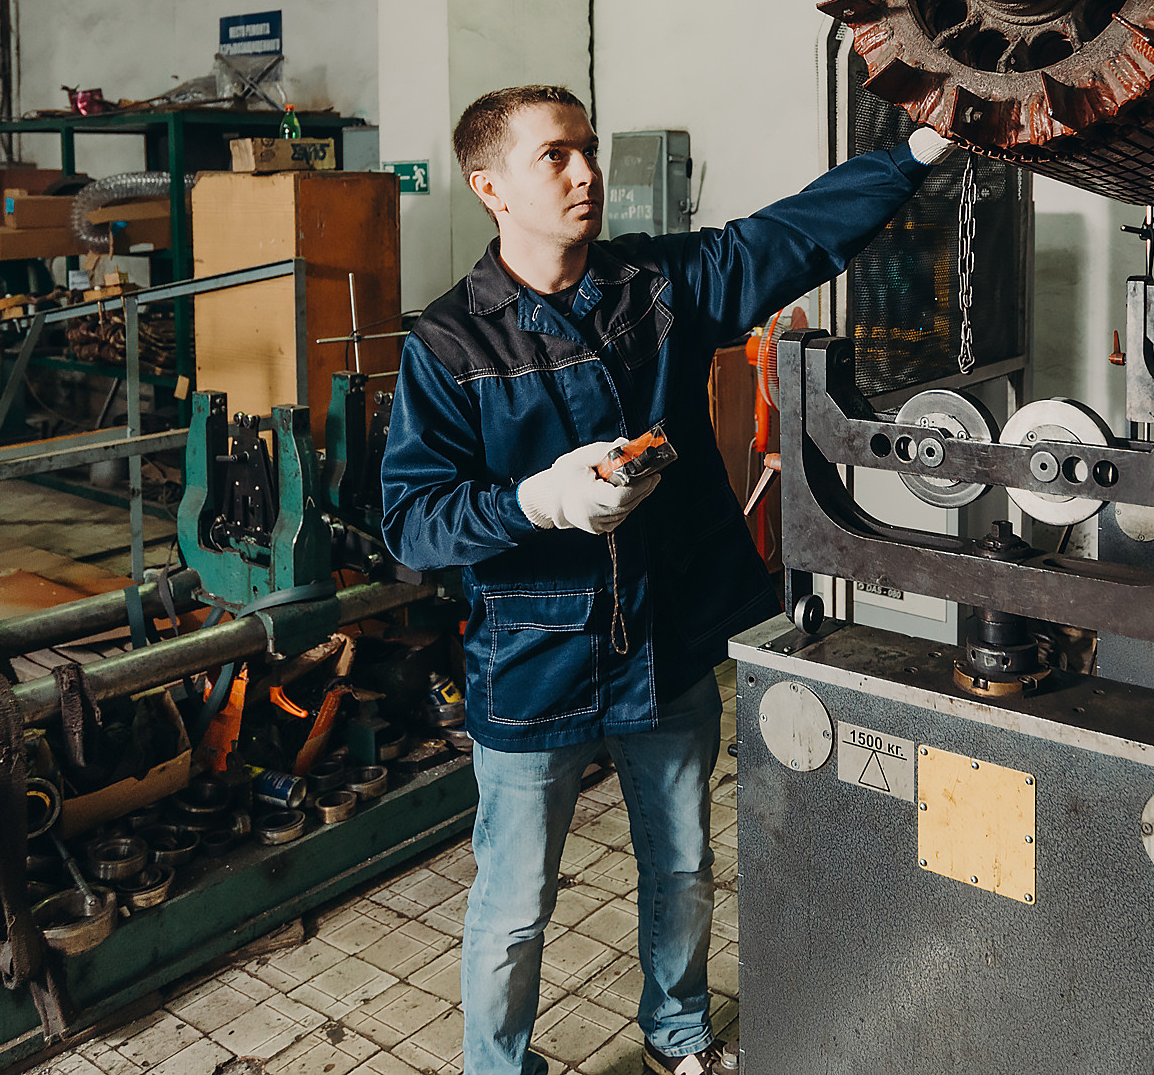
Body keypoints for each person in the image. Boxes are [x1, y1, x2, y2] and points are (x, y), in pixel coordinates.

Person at [381, 83, 953, 1075]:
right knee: (514, 906)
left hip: (664, 639)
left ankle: (677, 1034)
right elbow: (412, 522)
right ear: (489, 187)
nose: (586, 173)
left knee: (683, 866)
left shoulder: (655, 285)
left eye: (588, 149)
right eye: (555, 155)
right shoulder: (447, 344)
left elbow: (792, 237)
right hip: (531, 662)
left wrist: (912, 155)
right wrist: (537, 502)